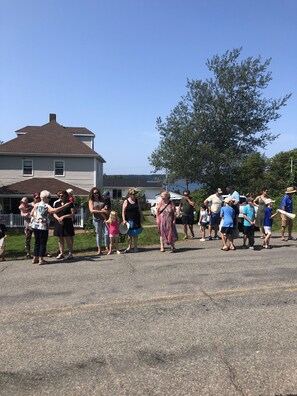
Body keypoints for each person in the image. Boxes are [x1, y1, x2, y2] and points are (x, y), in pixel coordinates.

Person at [31, 190, 70, 265]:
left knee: (37, 242)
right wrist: (65, 206)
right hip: (43, 226)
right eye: (49, 197)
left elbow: (32, 213)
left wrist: (36, 217)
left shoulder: (36, 204)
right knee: (42, 242)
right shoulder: (46, 205)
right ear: (45, 198)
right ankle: (41, 259)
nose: (49, 199)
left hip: (35, 225)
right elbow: (54, 211)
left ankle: (35, 258)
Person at [53, 190, 75, 259]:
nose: (60, 197)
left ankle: (70, 253)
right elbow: (54, 213)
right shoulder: (57, 203)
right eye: (59, 196)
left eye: (62, 195)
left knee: (68, 238)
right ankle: (61, 253)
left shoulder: (70, 204)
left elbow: (72, 214)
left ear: (65, 195)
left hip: (67, 222)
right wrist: (58, 219)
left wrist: (64, 217)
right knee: (60, 238)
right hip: (59, 222)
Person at [88, 187, 108, 255]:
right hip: (96, 219)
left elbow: (106, 206)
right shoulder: (91, 201)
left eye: (97, 193)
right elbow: (91, 210)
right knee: (99, 234)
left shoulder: (102, 199)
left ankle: (107, 247)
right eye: (95, 193)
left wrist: (105, 208)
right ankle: (99, 249)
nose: (96, 194)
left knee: (106, 233)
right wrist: (101, 211)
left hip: (104, 219)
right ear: (92, 194)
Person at [122, 188, 142, 253]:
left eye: (134, 194)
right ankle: (129, 247)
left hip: (136, 219)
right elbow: (123, 212)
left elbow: (139, 209)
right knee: (129, 234)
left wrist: (141, 217)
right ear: (129, 194)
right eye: (132, 194)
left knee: (136, 234)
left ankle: (135, 247)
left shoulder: (136, 200)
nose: (133, 196)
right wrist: (124, 219)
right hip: (129, 220)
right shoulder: (126, 201)